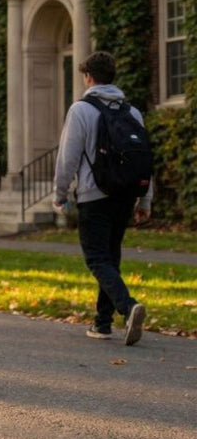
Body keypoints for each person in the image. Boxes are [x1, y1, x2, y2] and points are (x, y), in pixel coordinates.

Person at [52, 51, 151, 345]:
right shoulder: (132, 113)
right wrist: (145, 200)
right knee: (111, 257)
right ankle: (102, 323)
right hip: (125, 194)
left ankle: (128, 306)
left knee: (96, 257)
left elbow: (67, 158)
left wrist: (59, 194)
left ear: (88, 77)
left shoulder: (81, 110)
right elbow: (144, 160)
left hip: (93, 194)